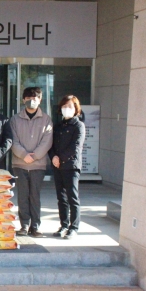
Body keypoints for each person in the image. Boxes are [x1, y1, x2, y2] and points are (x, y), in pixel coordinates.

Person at [10, 87, 53, 238]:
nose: (31, 101)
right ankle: (24, 225)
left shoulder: (46, 119)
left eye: (35, 98)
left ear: (40, 100)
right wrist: (23, 155)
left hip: (38, 165)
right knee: (22, 196)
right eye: (28, 98)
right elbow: (13, 140)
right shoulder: (15, 119)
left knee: (35, 195)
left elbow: (47, 141)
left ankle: (35, 226)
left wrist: (34, 156)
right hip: (19, 164)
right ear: (23, 100)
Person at [48, 95, 85, 240]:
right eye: (64, 106)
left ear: (76, 108)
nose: (66, 109)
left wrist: (60, 159)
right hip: (57, 166)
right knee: (61, 198)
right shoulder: (58, 126)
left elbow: (76, 147)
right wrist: (53, 157)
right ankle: (63, 225)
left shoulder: (78, 126)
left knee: (72, 197)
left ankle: (73, 227)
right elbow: (51, 145)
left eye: (69, 106)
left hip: (71, 166)